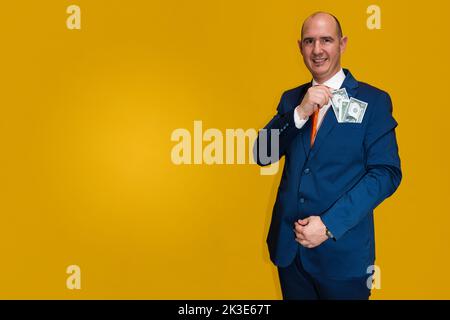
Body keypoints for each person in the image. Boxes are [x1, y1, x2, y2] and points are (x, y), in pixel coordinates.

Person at [253, 12, 402, 300]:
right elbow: (262, 154)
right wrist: (299, 113)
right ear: (300, 47)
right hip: (290, 255)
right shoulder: (291, 99)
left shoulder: (374, 101)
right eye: (309, 41)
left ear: (342, 44)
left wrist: (329, 225)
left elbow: (386, 173)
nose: (317, 50)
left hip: (343, 256)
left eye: (326, 40)